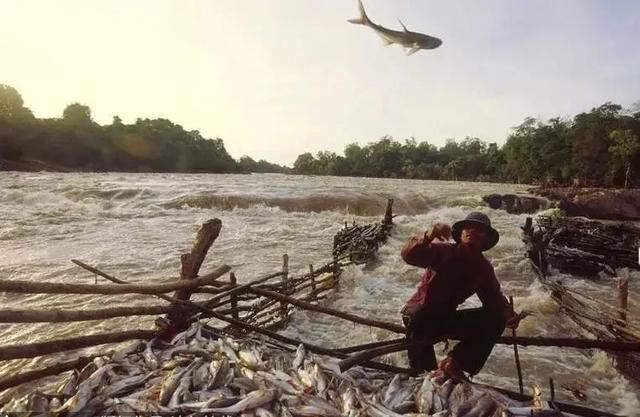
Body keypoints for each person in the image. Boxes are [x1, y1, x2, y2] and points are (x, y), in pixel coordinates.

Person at [400, 211, 520, 380]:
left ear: (485, 239)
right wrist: (429, 235)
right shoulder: (443, 251)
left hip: (445, 317)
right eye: (467, 228)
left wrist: (508, 313)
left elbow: (494, 299)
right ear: (461, 234)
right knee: (424, 376)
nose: (471, 231)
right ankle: (423, 373)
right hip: (420, 314)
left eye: (479, 230)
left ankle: (455, 363)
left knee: (496, 318)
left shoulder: (483, 268)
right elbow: (409, 256)